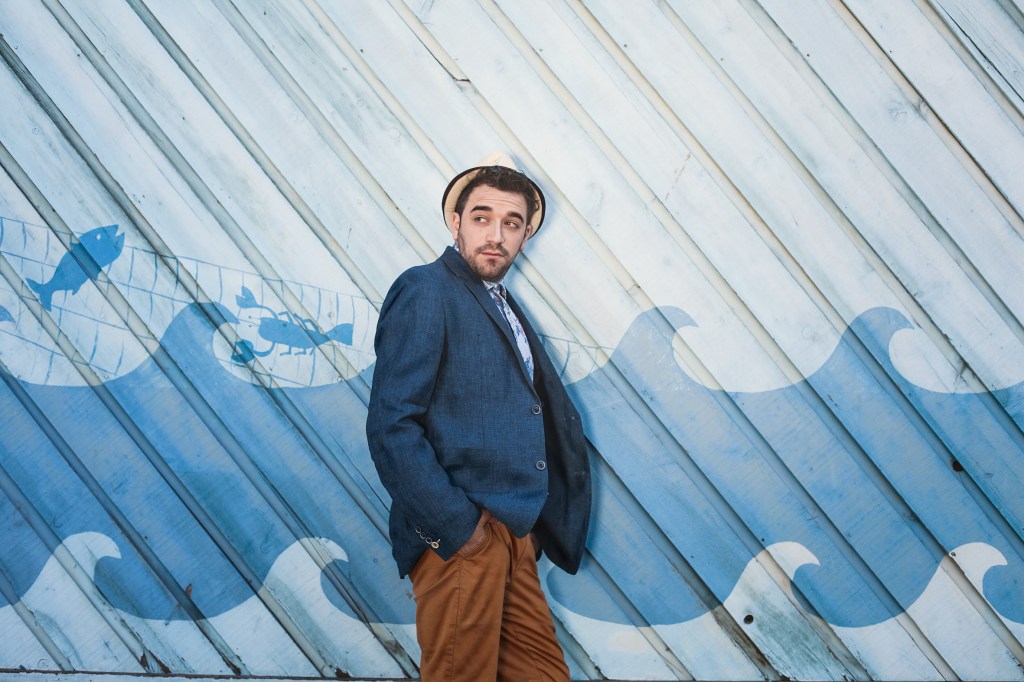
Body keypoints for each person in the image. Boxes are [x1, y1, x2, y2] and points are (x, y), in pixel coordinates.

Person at [366, 152, 591, 681]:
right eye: (482, 217)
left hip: (513, 534)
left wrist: (522, 534)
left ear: (525, 236)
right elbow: (391, 424)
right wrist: (459, 527)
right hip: (464, 536)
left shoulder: (500, 302)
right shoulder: (426, 289)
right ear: (456, 223)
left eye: (511, 223)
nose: (495, 234)